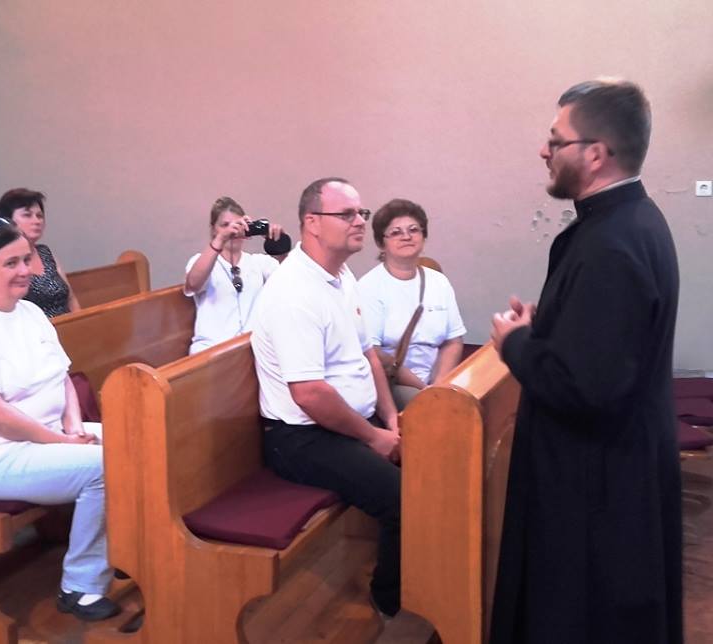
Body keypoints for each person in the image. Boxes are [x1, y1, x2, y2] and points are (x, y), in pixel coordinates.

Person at [489, 79, 681, 644]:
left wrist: (515, 344)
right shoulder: (629, 222)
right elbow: (604, 346)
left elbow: (588, 389)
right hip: (616, 465)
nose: (544, 151)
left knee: (580, 618)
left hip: (595, 486)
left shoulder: (610, 245)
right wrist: (546, 326)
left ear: (595, 154)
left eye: (556, 140)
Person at [0, 217, 120, 621]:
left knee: (138, 439)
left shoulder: (31, 312)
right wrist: (63, 443)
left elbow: (62, 376)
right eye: (11, 263)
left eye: (26, 260)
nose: (24, 271)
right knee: (104, 466)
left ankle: (119, 547)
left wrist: (73, 425)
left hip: (46, 436)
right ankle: (81, 586)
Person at [250, 177, 402, 618]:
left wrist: (391, 417)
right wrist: (375, 438)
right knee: (404, 497)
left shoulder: (340, 276)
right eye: (347, 214)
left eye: (361, 213)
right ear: (311, 223)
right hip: (301, 437)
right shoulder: (293, 292)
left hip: (349, 423)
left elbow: (368, 354)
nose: (360, 222)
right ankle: (390, 600)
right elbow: (310, 395)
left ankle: (436, 577)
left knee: (438, 455)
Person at [358, 199, 465, 409]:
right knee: (435, 411)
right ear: (381, 243)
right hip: (393, 382)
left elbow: (453, 341)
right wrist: (424, 390)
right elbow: (374, 353)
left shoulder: (439, 282)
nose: (406, 236)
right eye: (395, 232)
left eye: (414, 230)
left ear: (424, 236)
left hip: (438, 380)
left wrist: (439, 385)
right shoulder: (369, 286)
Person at [183, 196, 287, 354]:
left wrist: (280, 248)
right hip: (211, 351)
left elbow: (291, 282)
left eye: (238, 225)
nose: (232, 230)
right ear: (213, 230)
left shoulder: (259, 263)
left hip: (250, 350)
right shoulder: (200, 260)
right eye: (225, 225)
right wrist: (221, 239)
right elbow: (193, 285)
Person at [0, 188, 80, 317]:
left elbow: (71, 298)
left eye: (39, 216)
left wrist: (81, 323)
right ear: (8, 220)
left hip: (67, 324)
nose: (37, 221)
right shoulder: (2, 259)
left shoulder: (45, 252)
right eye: (27, 215)